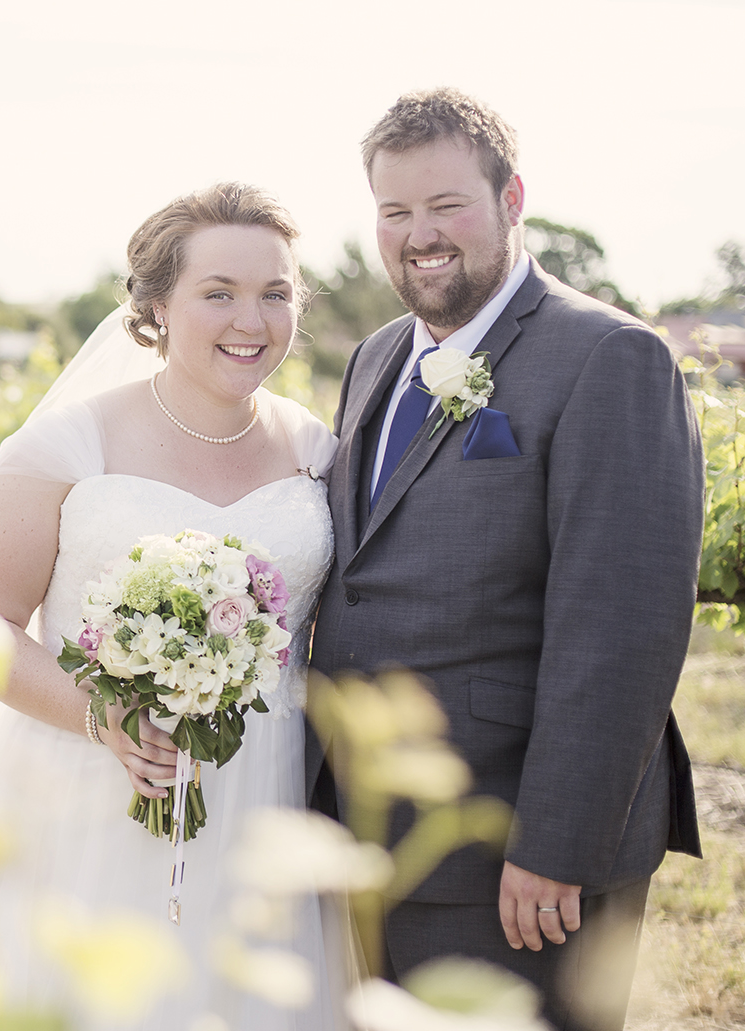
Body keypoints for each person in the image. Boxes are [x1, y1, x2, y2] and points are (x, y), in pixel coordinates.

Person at [308, 88, 704, 1031]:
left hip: (513, 850)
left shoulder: (610, 355)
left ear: (512, 197)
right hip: (371, 828)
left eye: (446, 205)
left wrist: (556, 844)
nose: (419, 236)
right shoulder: (375, 355)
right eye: (395, 212)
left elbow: (621, 628)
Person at [0, 183, 346, 1029]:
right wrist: (98, 716)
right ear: (154, 305)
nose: (250, 320)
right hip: (88, 789)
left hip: (266, 791)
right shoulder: (70, 442)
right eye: (217, 293)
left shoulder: (316, 449)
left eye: (275, 293)